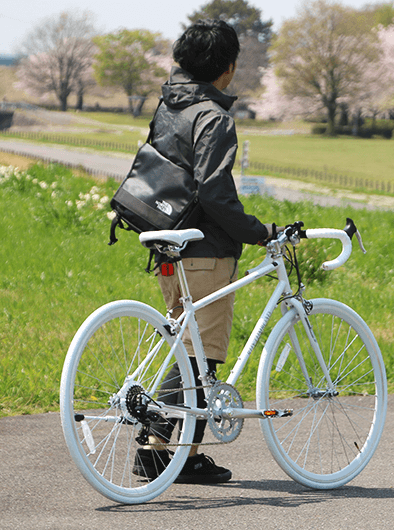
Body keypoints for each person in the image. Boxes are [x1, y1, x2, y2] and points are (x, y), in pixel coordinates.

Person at [132, 19, 279, 485]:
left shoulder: (169, 106)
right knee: (201, 358)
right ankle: (162, 449)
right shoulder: (214, 117)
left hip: (166, 245)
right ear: (228, 67)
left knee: (185, 353)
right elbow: (215, 193)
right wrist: (257, 232)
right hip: (205, 250)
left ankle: (175, 454)